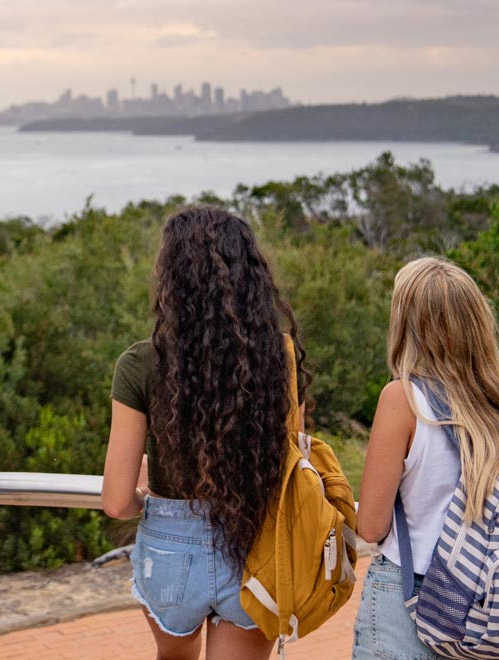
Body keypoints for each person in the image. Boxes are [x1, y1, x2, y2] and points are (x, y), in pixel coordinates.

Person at [100, 206, 306, 660]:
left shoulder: (139, 363)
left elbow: (116, 501)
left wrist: (152, 503)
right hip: (256, 542)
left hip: (170, 552)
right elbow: (291, 463)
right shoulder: (280, 357)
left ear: (171, 278)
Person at [351, 256, 499, 659]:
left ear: (407, 325)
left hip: (409, 597)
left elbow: (370, 526)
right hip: (489, 607)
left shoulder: (403, 400)